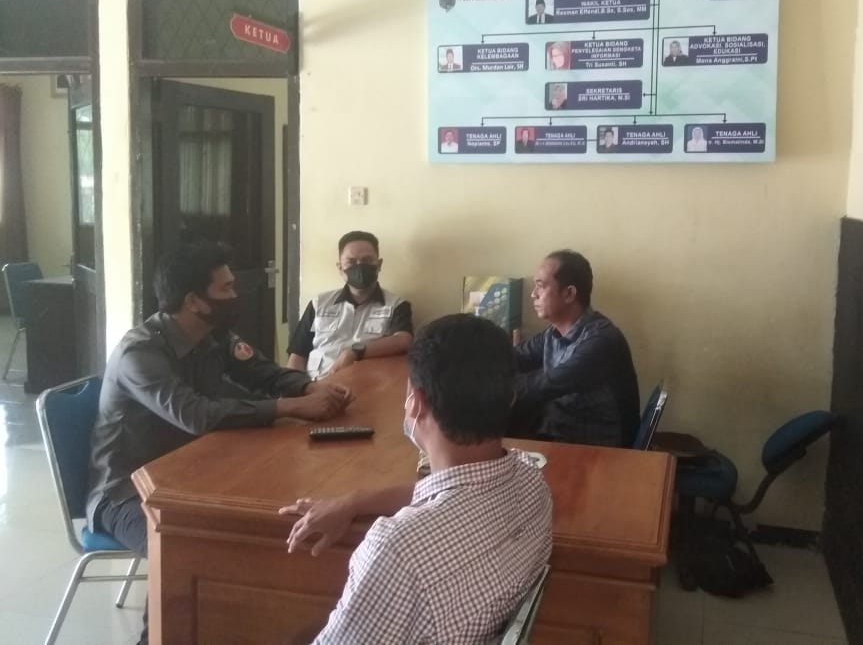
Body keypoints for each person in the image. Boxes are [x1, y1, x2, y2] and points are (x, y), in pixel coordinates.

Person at [86, 241, 351, 645]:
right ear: (194, 301)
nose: (235, 295)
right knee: (184, 548)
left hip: (191, 473)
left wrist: (310, 387)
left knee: (269, 521)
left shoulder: (213, 336)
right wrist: (290, 407)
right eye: (226, 288)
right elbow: (196, 415)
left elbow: (263, 372)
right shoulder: (140, 353)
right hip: (125, 492)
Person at [279, 314, 552, 644]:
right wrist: (354, 502)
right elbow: (458, 489)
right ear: (510, 397)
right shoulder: (532, 483)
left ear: (416, 403)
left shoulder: (398, 551)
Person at [511, 250, 640, 447]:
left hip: (597, 449)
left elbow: (548, 383)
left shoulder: (602, 340)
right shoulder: (552, 334)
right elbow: (515, 356)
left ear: (569, 294)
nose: (533, 294)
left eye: (541, 286)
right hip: (560, 434)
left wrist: (492, 388)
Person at [287, 231, 413, 378]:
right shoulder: (318, 304)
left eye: (367, 260)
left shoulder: (396, 305)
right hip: (316, 384)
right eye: (351, 262)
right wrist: (295, 387)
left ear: (379, 265)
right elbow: (297, 355)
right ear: (340, 268)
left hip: (366, 385)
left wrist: (355, 352)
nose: (359, 266)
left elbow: (403, 340)